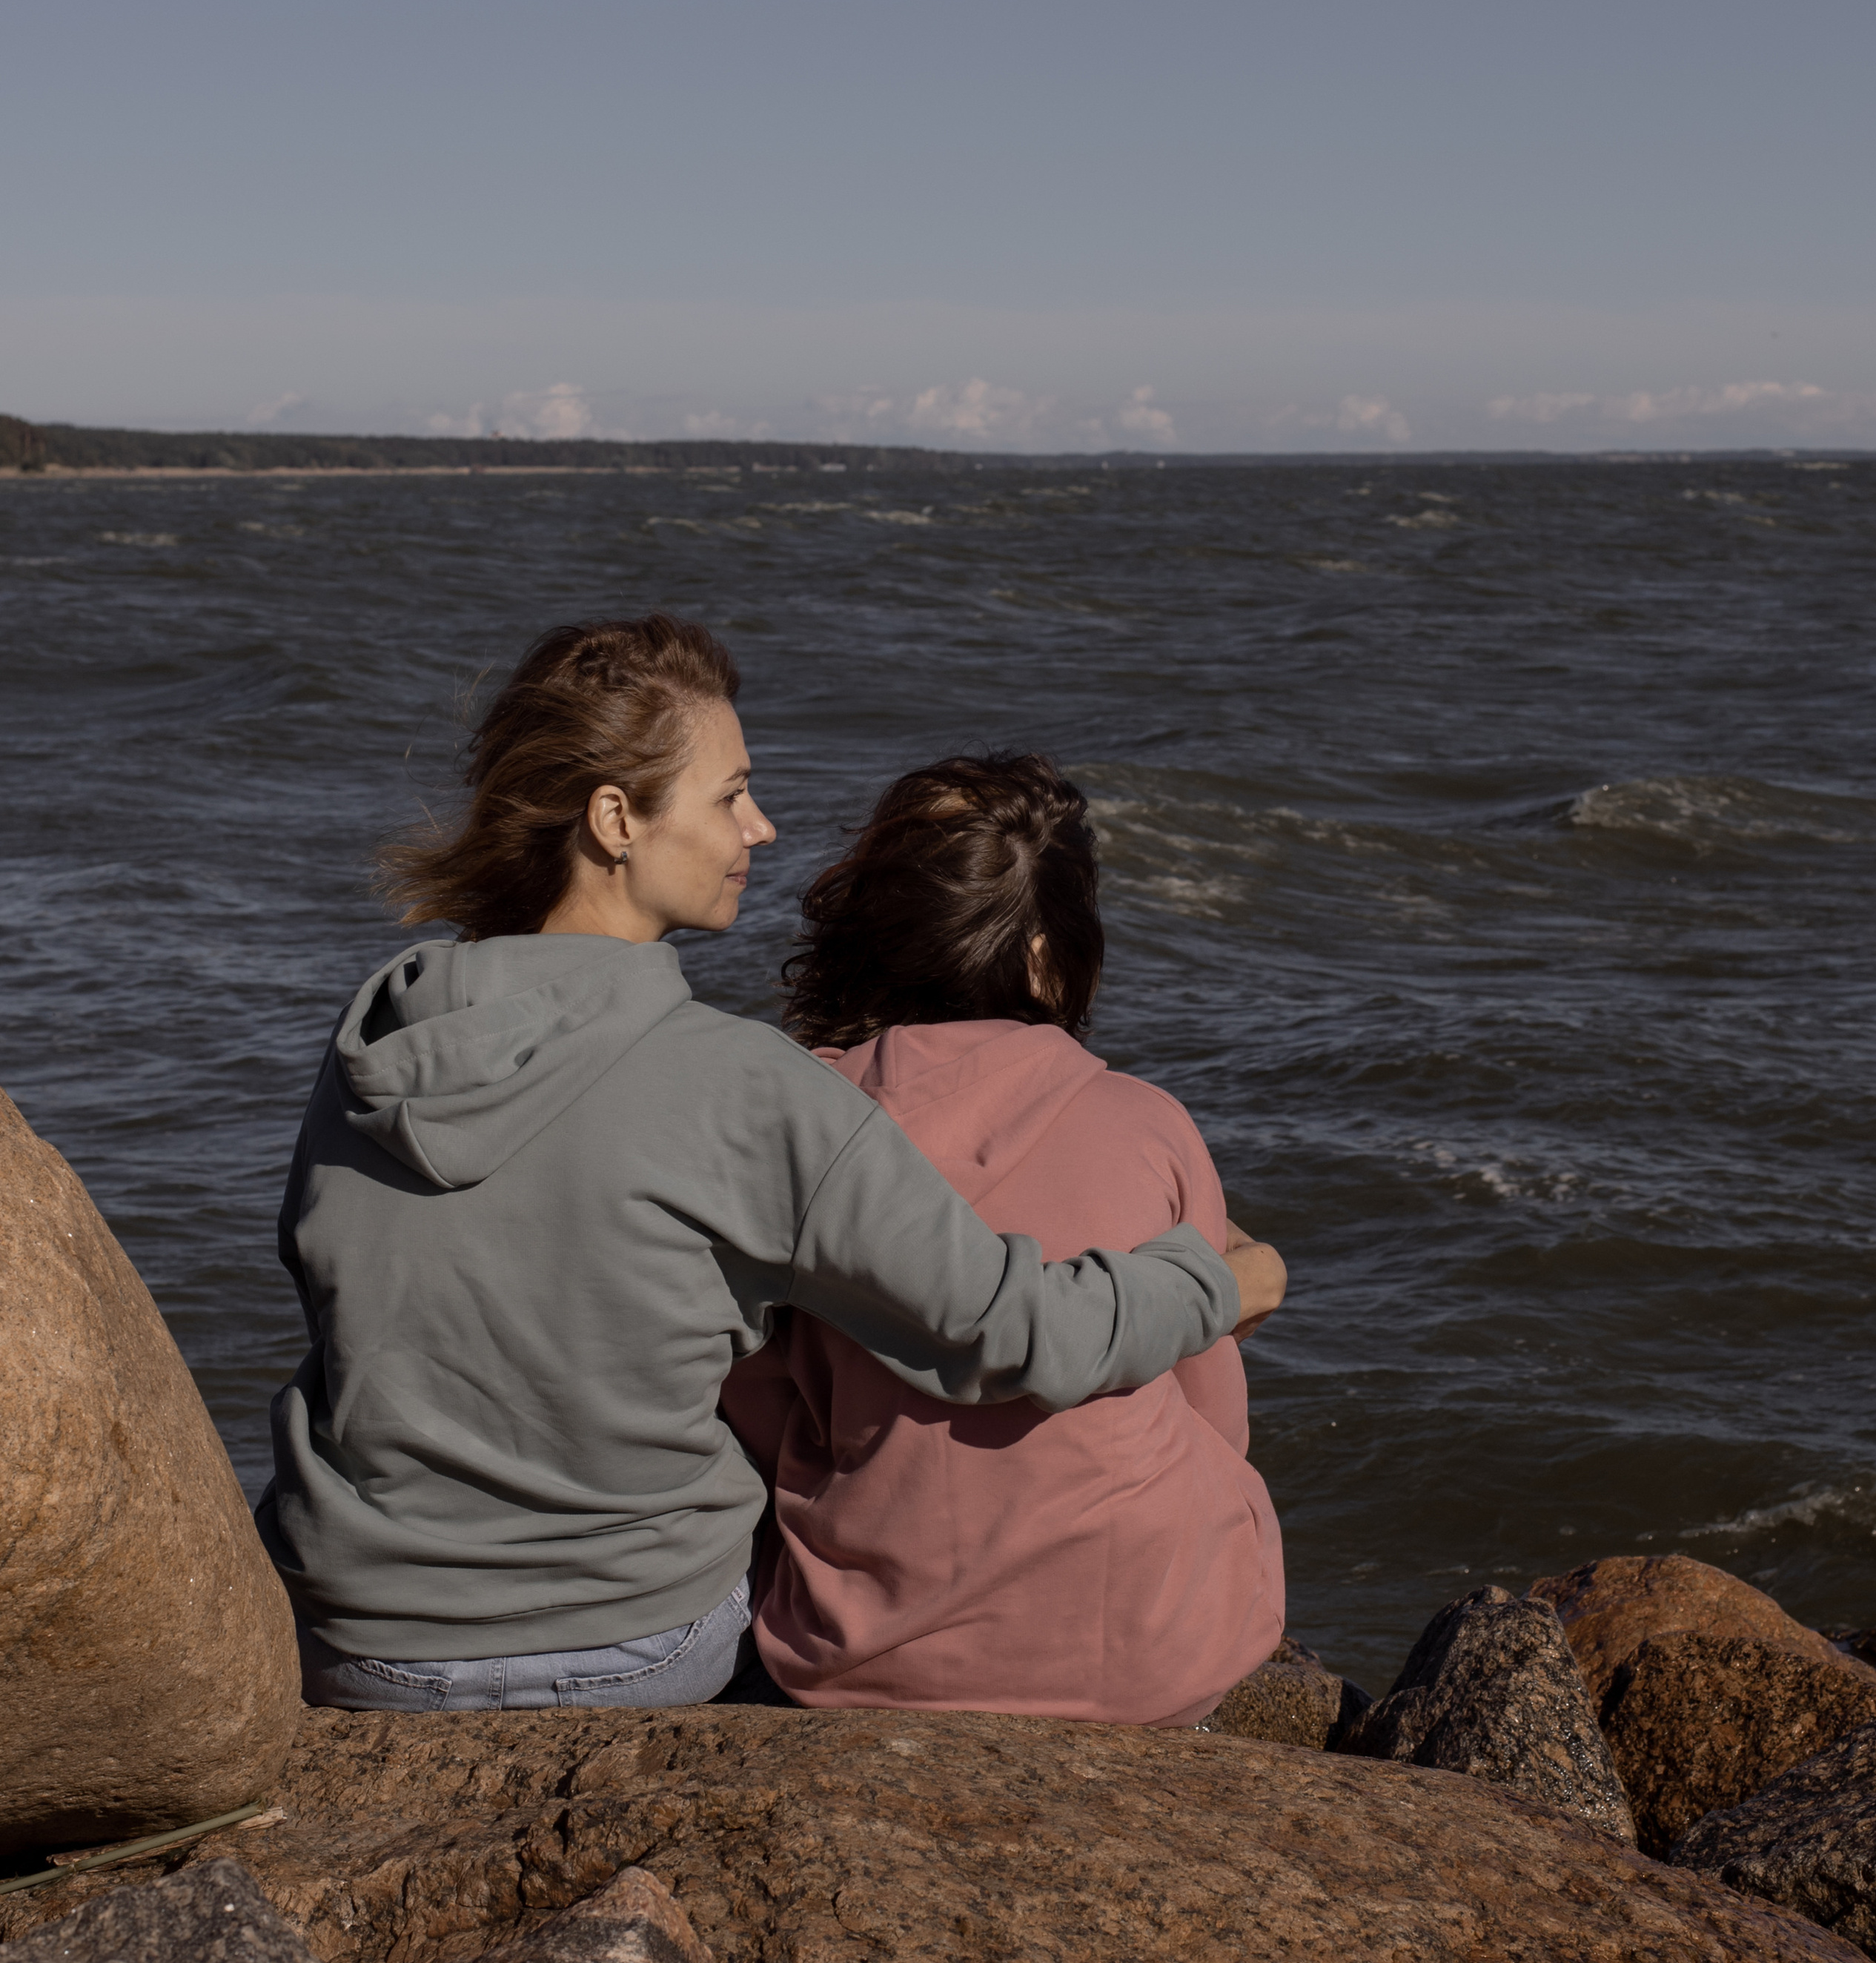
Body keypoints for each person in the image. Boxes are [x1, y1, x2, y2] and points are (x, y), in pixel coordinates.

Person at [259, 618, 1286, 1712]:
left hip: (355, 1639)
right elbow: (1014, 1330)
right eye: (731, 795)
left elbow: (331, 1294)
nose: (761, 825)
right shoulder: (743, 1082)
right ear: (615, 820)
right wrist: (1220, 1282)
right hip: (627, 1647)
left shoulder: (382, 1039)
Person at [720, 754, 1286, 1726]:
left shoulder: (798, 1119)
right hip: (1155, 1655)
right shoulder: (1147, 1121)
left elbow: (756, 1403)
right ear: (1043, 957)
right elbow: (1212, 1410)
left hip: (867, 1660)